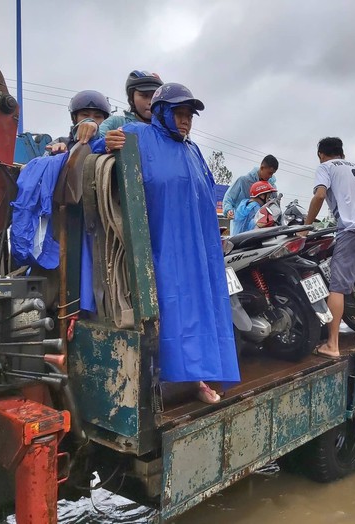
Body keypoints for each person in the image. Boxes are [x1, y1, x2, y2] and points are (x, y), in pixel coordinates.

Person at [104, 82, 240, 403]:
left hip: (199, 249)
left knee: (204, 308)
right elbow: (104, 150)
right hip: (162, 246)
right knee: (167, 310)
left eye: (189, 115)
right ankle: (157, 381)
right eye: (178, 113)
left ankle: (200, 377)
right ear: (162, 112)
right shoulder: (138, 135)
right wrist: (103, 142)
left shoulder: (193, 150)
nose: (185, 120)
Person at [304, 137, 355, 358]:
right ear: (343, 153)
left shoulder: (325, 167)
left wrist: (306, 227)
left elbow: (320, 194)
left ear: (321, 154)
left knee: (337, 288)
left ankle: (332, 344)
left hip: (351, 230)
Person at [78, 70, 163, 143]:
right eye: (144, 95)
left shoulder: (167, 128)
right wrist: (91, 127)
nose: (150, 102)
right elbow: (97, 140)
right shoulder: (116, 123)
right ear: (131, 99)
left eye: (155, 97)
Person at [222, 155, 279, 234]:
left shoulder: (271, 186)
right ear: (262, 168)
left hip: (261, 228)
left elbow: (274, 206)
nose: (270, 176)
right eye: (269, 173)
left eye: (272, 174)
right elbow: (229, 198)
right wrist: (228, 210)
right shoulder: (243, 181)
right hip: (240, 227)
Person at [46, 90, 111, 153]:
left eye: (98, 116)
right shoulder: (61, 142)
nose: (91, 121)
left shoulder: (111, 143)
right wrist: (57, 155)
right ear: (74, 118)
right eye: (85, 115)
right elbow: (44, 158)